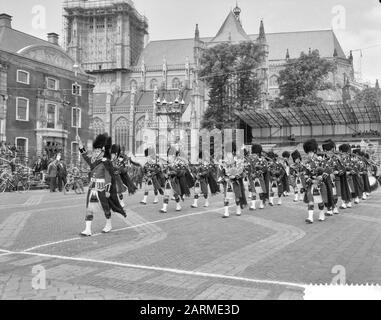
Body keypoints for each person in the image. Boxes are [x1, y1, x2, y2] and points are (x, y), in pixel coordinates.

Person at [77, 134, 125, 236]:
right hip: (92, 187)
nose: (96, 152)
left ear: (102, 152)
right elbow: (85, 155)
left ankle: (108, 224)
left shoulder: (105, 162)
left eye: (98, 151)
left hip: (101, 188)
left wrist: (107, 190)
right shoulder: (93, 161)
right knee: (89, 208)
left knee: (105, 207)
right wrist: (80, 145)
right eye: (95, 151)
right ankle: (88, 229)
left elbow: (108, 177)